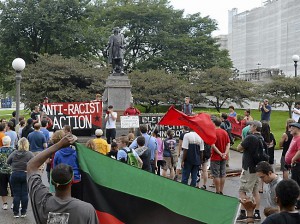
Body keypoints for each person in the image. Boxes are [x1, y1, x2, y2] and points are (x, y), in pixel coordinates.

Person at [27, 134, 99, 224]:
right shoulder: (86, 210)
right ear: (72, 180)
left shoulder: (41, 201)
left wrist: (59, 145)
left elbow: (31, 166)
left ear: (52, 181)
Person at [236, 120, 264, 221]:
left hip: (248, 168)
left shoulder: (250, 137)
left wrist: (243, 142)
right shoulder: (261, 137)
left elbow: (239, 148)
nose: (249, 127)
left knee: (243, 190)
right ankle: (256, 213)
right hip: (256, 168)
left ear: (255, 127)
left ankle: (244, 213)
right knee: (255, 191)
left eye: (251, 125)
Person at [7, 138, 34, 218]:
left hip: (15, 174)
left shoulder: (14, 153)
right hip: (25, 174)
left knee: (16, 194)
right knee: (25, 194)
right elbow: (33, 162)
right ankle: (23, 212)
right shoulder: (29, 154)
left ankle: (16, 213)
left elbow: (8, 161)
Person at [53, 131, 82, 200]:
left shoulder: (57, 154)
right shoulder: (76, 153)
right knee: (77, 200)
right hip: (75, 179)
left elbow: (55, 168)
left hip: (62, 180)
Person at [210, 118, 230, 194]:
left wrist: (220, 153)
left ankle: (217, 190)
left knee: (216, 174)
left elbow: (213, 145)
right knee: (222, 174)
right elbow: (228, 144)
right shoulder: (224, 132)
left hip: (216, 157)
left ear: (214, 123)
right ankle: (221, 190)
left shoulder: (213, 132)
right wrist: (225, 153)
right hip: (224, 157)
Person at [285, 122, 300, 208]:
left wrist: (293, 159)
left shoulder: (298, 138)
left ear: (298, 129)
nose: (290, 129)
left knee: (296, 184)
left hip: (297, 164)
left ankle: (297, 202)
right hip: (293, 164)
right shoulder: (294, 137)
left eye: (292, 128)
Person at [0, 136, 13, 210]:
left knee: (3, 187)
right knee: (13, 187)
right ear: (9, 142)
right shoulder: (13, 150)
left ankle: (5, 204)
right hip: (11, 171)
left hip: (2, 171)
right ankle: (14, 203)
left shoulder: (0, 150)